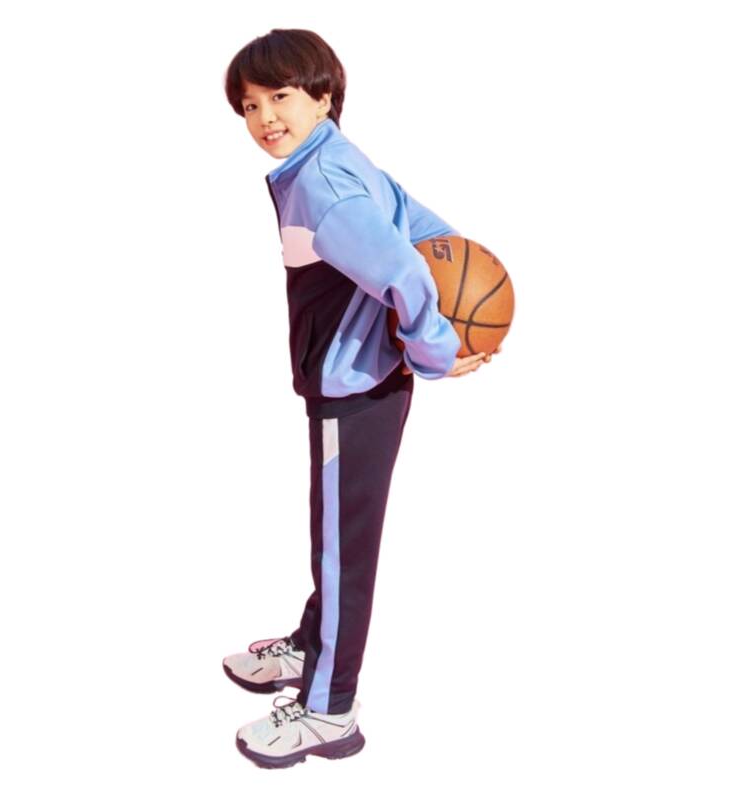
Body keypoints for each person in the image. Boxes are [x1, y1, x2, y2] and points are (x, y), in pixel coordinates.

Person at [221, 28, 500, 769]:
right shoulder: (339, 158)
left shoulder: (324, 185)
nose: (265, 118)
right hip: (362, 381)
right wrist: (449, 307)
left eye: (280, 97)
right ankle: (312, 644)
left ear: (323, 96)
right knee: (334, 536)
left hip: (356, 387)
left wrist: (436, 347)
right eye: (250, 106)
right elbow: (423, 227)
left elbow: (404, 270)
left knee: (344, 550)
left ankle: (329, 708)